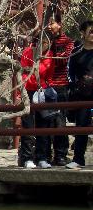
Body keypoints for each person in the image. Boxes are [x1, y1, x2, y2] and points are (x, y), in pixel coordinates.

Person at [18, 31, 55, 169]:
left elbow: (50, 74)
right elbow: (21, 74)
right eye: (42, 41)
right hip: (28, 89)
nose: (44, 45)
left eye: (47, 42)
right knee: (28, 125)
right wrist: (19, 94)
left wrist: (46, 87)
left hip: (42, 91)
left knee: (43, 125)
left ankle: (42, 157)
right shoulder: (28, 52)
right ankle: (27, 158)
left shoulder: (50, 55)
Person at [46, 15, 74, 166]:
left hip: (61, 85)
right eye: (48, 24)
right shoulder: (45, 40)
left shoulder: (68, 41)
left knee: (60, 121)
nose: (49, 27)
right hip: (47, 85)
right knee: (46, 121)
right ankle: (46, 154)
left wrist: (51, 51)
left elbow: (63, 60)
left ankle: (60, 155)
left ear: (60, 24)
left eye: (52, 23)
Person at [66, 20, 93, 170]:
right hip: (83, 94)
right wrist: (75, 86)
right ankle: (78, 159)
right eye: (91, 31)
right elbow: (69, 74)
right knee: (81, 126)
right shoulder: (76, 52)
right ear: (83, 33)